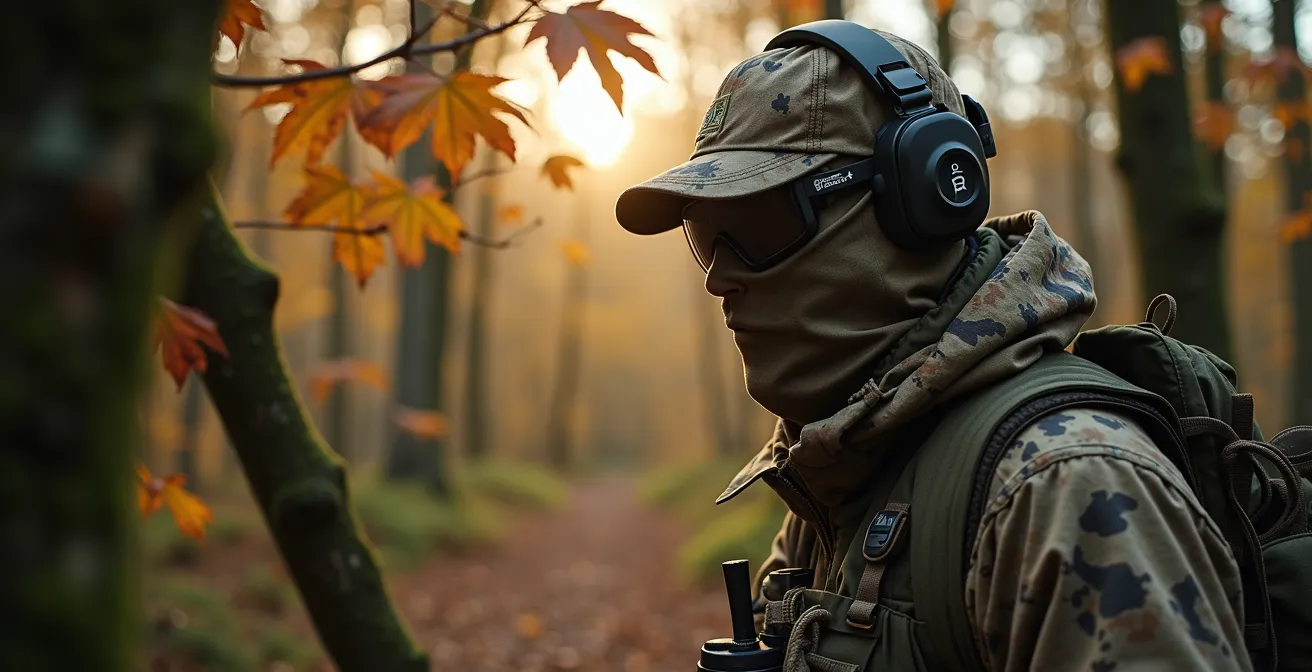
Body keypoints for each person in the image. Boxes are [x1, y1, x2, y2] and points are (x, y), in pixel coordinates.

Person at [614, 20, 1250, 672]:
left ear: (921, 197)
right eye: (706, 237)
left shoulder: (1065, 486)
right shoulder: (840, 470)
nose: (720, 277)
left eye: (756, 224)